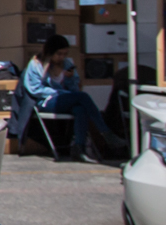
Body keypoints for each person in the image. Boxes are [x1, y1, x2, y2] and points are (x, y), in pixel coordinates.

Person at [21, 33, 119, 163]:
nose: (62, 57)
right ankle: (105, 132)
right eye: (59, 54)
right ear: (50, 52)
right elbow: (35, 89)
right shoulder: (36, 65)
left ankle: (79, 148)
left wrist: (70, 79)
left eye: (64, 54)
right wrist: (59, 92)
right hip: (46, 101)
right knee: (83, 97)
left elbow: (74, 90)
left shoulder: (67, 64)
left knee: (80, 109)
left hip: (65, 98)